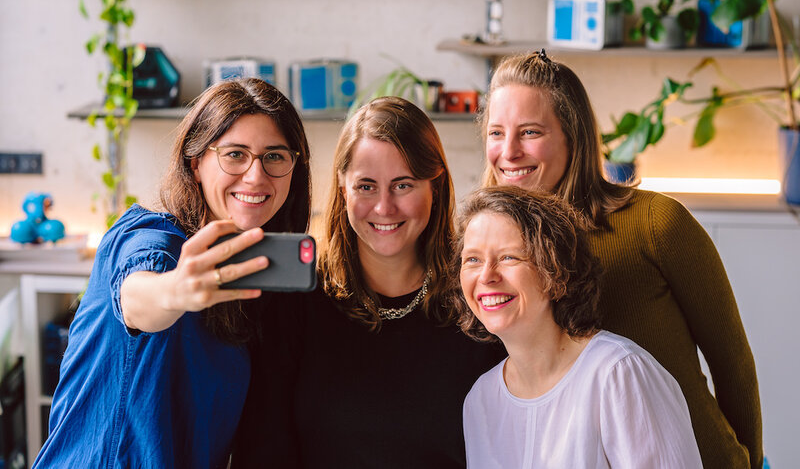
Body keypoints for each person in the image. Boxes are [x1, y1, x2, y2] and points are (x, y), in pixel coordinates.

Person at [479, 50, 762, 469]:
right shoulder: (484, 254)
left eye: (530, 132)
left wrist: (747, 462)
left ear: (573, 137)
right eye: (496, 133)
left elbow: (732, 362)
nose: (509, 151)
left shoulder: (656, 224)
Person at [32, 78, 312, 469]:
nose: (255, 175)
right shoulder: (152, 238)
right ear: (195, 163)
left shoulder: (253, 277)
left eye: (275, 156)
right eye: (235, 154)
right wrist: (174, 291)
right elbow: (137, 295)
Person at [232, 96, 505, 468]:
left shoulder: (478, 299)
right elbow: (263, 450)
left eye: (403, 185)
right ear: (343, 188)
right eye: (366, 186)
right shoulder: (297, 300)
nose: (384, 207)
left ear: (435, 185)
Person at [451, 185, 702, 468]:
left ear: (556, 270)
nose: (486, 276)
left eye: (509, 257)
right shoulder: (481, 400)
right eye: (472, 260)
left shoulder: (619, 374)